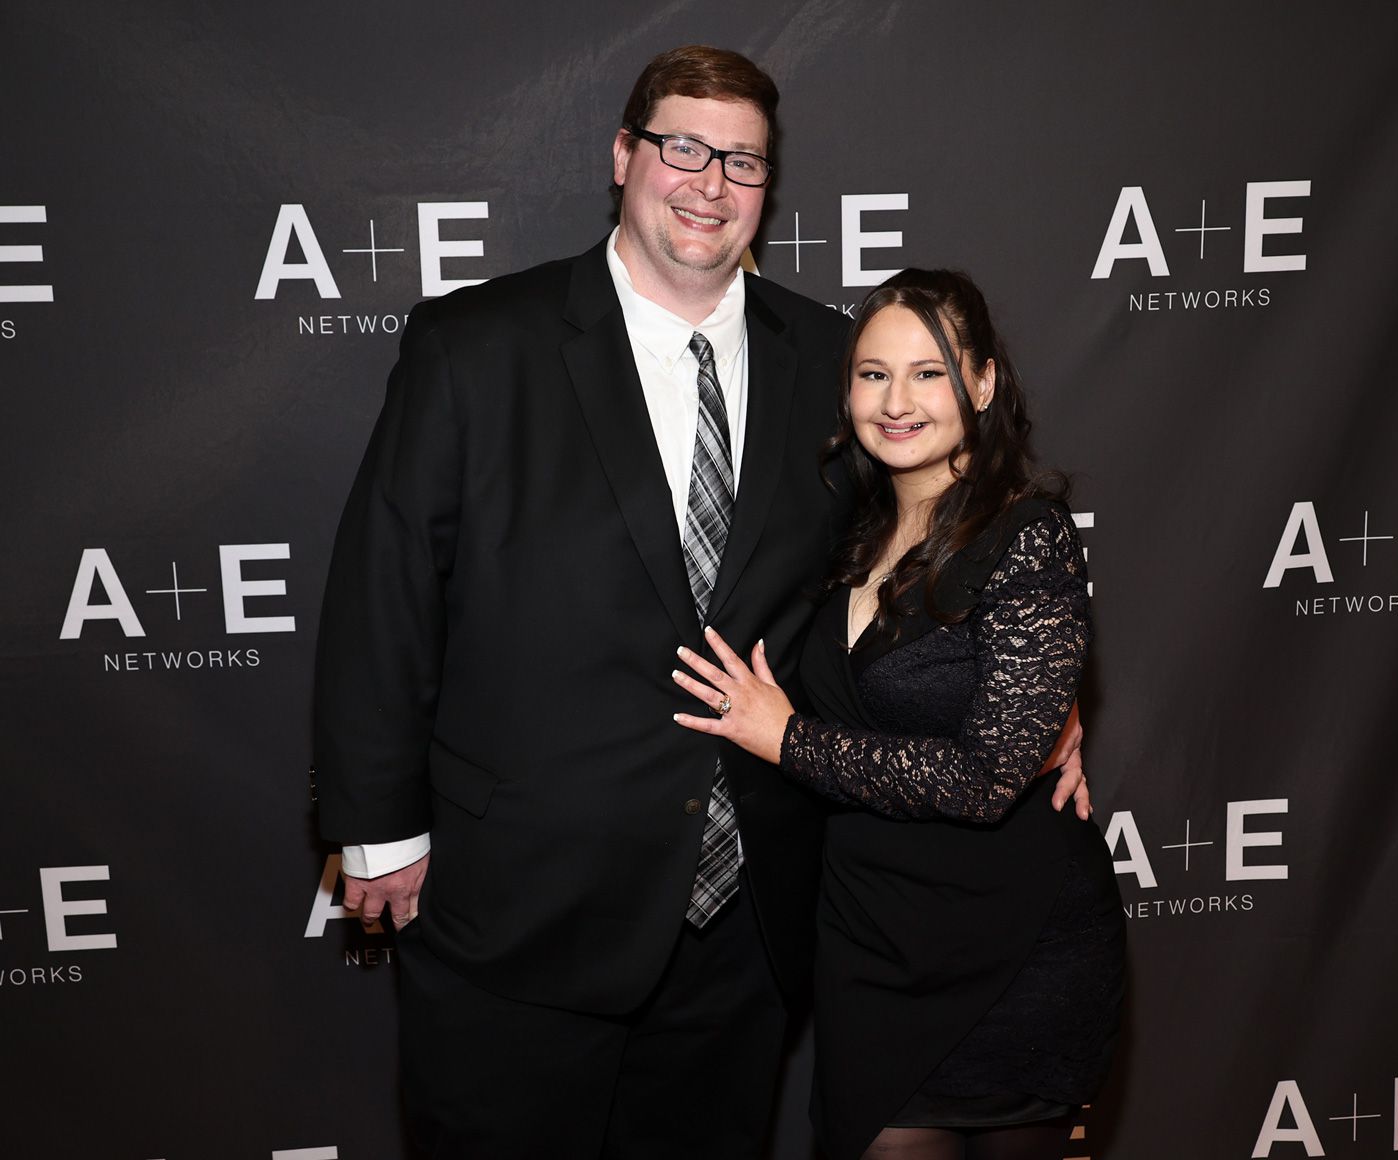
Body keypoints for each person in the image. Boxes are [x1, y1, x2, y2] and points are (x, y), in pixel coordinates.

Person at [313, 45, 1090, 1160]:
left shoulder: (834, 357)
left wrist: (1041, 703)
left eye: (743, 161)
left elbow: (943, 538)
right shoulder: (478, 344)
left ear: (769, 189)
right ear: (623, 156)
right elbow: (384, 584)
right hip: (522, 904)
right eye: (683, 147)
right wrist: (377, 824)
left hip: (746, 918)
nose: (710, 182)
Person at [672, 269, 1124, 1160]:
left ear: (984, 383)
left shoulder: (1025, 533)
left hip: (1013, 949)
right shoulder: (842, 530)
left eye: (929, 372)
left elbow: (987, 779)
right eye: (874, 374)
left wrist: (787, 738)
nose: (897, 401)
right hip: (869, 944)